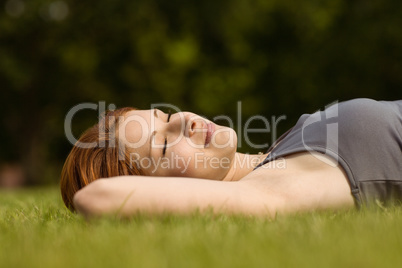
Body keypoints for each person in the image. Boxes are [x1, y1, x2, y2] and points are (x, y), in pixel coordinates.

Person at [60, 98, 402, 218]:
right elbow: (97, 198)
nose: (183, 120)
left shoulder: (276, 157)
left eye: (164, 117)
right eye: (162, 146)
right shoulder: (276, 186)